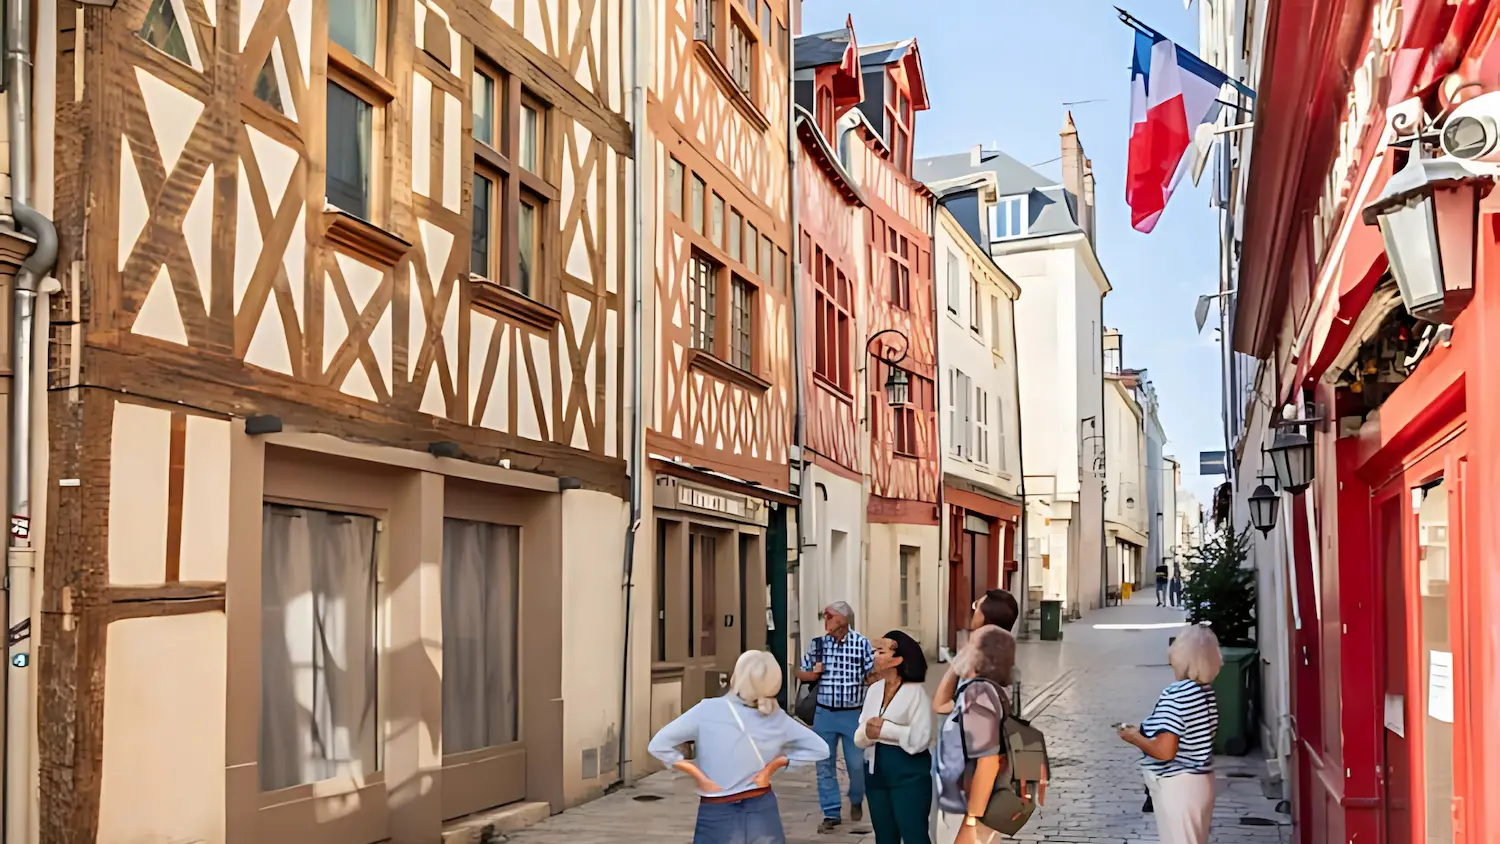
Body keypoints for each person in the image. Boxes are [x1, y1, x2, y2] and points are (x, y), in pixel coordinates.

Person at [648, 650, 829, 844]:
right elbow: (820, 749)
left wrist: (696, 773)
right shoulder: (778, 718)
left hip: (717, 808)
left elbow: (658, 745)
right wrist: (775, 765)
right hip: (762, 809)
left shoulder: (707, 710)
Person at [1117, 624, 1223, 844]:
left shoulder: (1178, 693)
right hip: (1201, 781)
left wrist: (1134, 738)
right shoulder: (1205, 691)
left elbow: (1166, 751)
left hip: (1178, 784)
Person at [795, 601, 875, 833]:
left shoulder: (861, 644)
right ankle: (831, 812)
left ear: (841, 620)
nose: (825, 622)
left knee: (856, 764)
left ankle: (856, 797)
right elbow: (802, 672)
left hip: (853, 714)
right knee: (824, 764)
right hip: (824, 714)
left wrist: (870, 679)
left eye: (828, 617)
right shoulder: (818, 645)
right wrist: (813, 673)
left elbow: (873, 674)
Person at [933, 626, 1017, 844]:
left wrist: (971, 820)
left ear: (985, 655)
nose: (963, 649)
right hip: (964, 806)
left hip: (968, 810)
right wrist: (956, 668)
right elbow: (940, 704)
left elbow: (988, 761)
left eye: (971, 644)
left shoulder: (978, 694)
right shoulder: (977, 690)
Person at [854, 631, 933, 844]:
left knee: (913, 834)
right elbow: (860, 734)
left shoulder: (916, 693)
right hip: (875, 773)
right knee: (884, 836)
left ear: (897, 659)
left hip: (909, 775)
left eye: (880, 651)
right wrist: (868, 733)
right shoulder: (873, 690)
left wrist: (885, 730)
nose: (874, 656)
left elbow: (920, 738)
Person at [933, 589, 1017, 717]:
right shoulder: (1007, 657)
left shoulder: (980, 662)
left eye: (976, 607)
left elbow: (940, 705)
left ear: (984, 616)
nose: (973, 612)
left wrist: (960, 659)